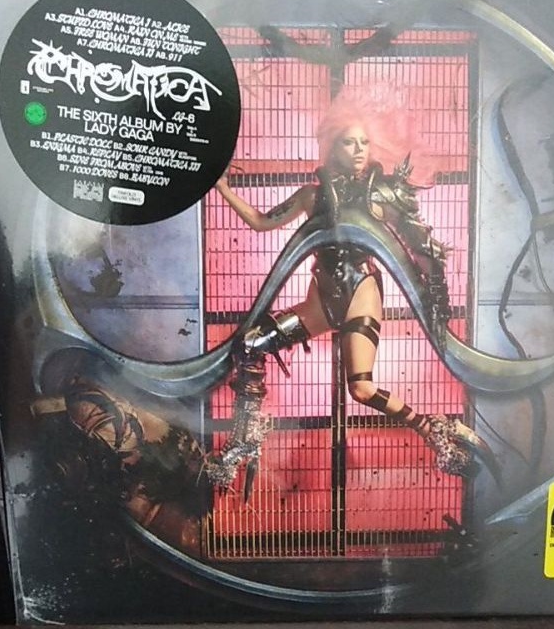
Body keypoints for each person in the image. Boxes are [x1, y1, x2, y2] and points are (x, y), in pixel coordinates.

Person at [207, 84, 489, 493]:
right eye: (348, 142)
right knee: (251, 344)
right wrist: (223, 189)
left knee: (361, 388)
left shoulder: (382, 195)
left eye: (363, 142)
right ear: (332, 146)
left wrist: (436, 297)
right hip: (321, 299)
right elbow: (262, 222)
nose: (357, 150)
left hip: (361, 291)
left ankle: (433, 429)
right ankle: (245, 441)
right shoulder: (312, 196)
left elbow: (420, 246)